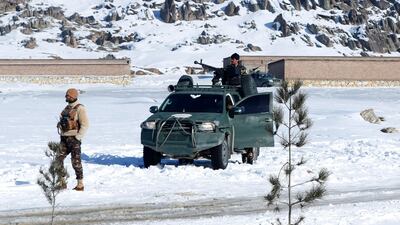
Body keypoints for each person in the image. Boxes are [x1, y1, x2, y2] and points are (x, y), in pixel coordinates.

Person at [57, 88, 89, 191]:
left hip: (74, 139)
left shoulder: (80, 108)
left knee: (76, 162)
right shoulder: (67, 107)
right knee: (58, 160)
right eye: (66, 95)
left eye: (68, 96)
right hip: (64, 138)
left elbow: (85, 124)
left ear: (74, 96)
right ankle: (62, 182)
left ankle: (80, 184)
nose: (66, 97)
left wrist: (77, 137)